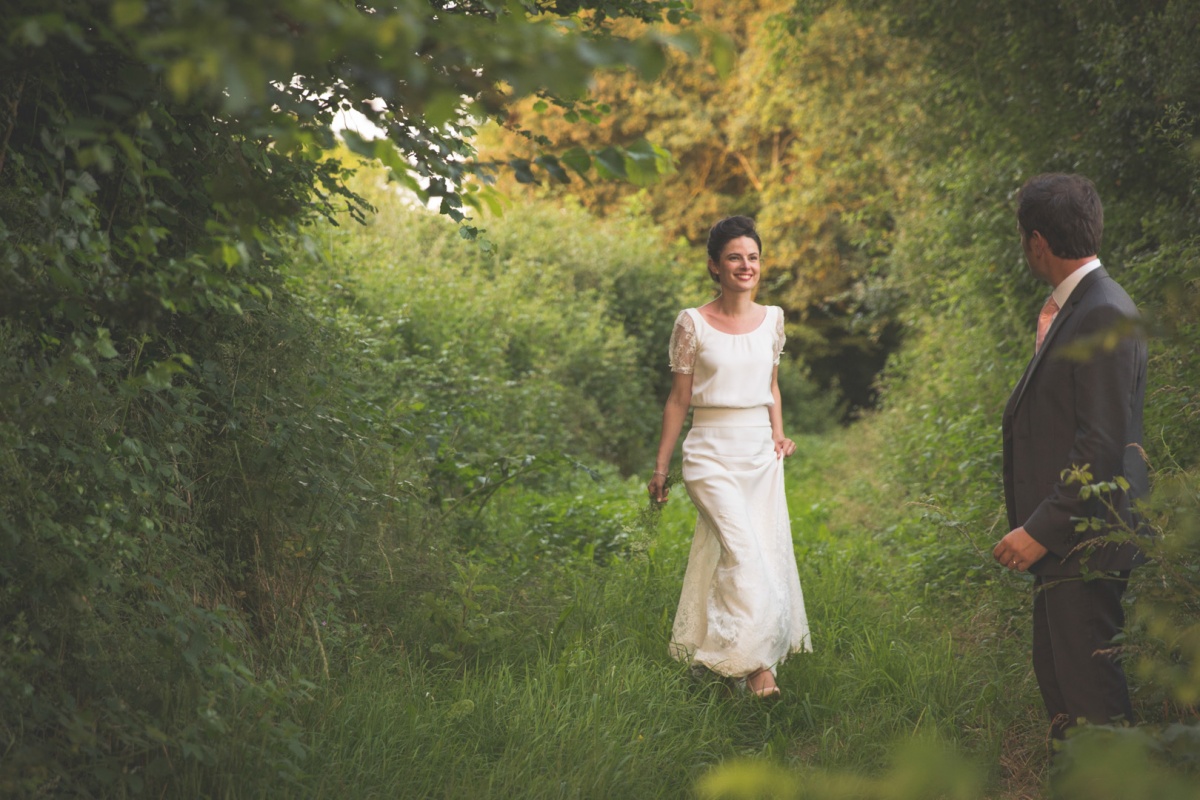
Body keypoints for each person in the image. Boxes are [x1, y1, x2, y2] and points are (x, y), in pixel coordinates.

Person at [992, 173, 1149, 740]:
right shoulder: (1080, 305)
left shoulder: (1102, 310)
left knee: (1093, 706)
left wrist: (1041, 529)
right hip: (1071, 544)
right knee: (1063, 694)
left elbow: (1102, 444)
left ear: (1037, 241)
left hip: (1087, 541)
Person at [648, 215, 811, 699]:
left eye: (753, 257)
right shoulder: (692, 323)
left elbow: (772, 387)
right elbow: (678, 400)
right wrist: (661, 469)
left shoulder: (775, 319)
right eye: (735, 257)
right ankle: (758, 668)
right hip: (708, 455)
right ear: (715, 267)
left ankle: (714, 654)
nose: (746, 265)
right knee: (743, 551)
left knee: (745, 553)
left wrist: (779, 435)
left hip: (760, 456)